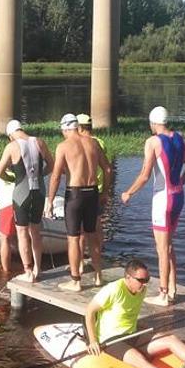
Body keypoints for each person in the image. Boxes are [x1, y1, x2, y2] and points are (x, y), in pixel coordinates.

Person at [120, 106, 185, 306]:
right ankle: (172, 288)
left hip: (163, 199)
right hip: (178, 196)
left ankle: (163, 294)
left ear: (153, 123)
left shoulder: (153, 142)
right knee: (169, 245)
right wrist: (177, 185)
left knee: (162, 248)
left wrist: (129, 192)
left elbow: (145, 175)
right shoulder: (182, 137)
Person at [45, 113, 112, 291]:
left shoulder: (63, 146)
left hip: (75, 195)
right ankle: (98, 276)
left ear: (66, 129)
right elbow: (107, 168)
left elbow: (56, 176)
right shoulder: (93, 143)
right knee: (92, 236)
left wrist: (50, 201)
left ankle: (76, 281)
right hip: (92, 193)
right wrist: (104, 191)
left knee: (73, 239)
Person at [0, 119, 53, 283]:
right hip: (39, 192)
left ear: (10, 135)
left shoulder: (11, 146)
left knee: (22, 233)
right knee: (36, 232)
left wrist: (13, 180)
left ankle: (28, 272)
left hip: (21, 193)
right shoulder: (40, 142)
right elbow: (51, 166)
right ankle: (38, 269)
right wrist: (40, 176)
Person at [76, 113, 111, 268]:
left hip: (83, 190)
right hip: (98, 189)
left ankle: (81, 261)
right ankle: (98, 256)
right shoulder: (100, 142)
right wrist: (106, 191)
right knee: (97, 224)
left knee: (82, 229)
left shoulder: (80, 143)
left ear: (79, 127)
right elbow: (107, 169)